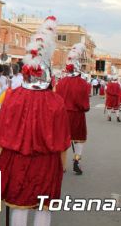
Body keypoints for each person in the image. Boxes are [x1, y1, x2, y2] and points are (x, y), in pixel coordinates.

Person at [0, 17, 71, 226]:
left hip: (17, 159)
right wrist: (62, 165)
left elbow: (1, 135)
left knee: (19, 203)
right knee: (43, 206)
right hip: (47, 162)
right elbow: (63, 140)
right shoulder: (56, 102)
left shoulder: (13, 96)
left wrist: (4, 156)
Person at [55, 43, 90, 175]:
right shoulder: (83, 83)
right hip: (77, 115)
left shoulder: (61, 82)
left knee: (62, 138)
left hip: (63, 115)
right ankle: (77, 160)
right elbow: (85, 105)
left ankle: (61, 164)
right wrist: (84, 108)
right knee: (79, 139)